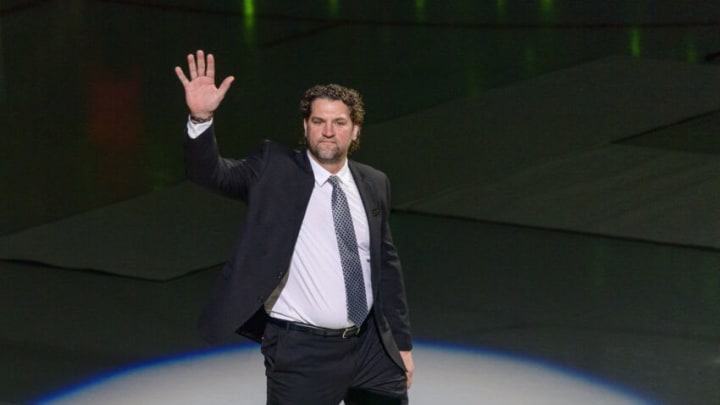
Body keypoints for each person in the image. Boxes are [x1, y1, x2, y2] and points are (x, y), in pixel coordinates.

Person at [175, 50, 414, 404]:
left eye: (339, 123)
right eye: (319, 122)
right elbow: (211, 174)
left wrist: (402, 345)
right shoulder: (275, 169)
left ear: (356, 129)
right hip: (302, 353)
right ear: (305, 127)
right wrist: (201, 118)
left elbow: (387, 269)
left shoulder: (374, 182)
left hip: (371, 349)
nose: (328, 132)